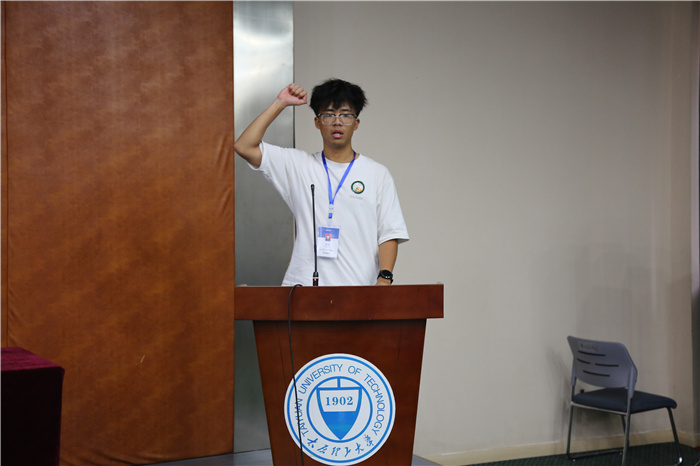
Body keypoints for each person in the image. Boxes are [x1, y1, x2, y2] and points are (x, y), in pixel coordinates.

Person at [234, 79, 408, 286]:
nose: (337, 122)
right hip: (303, 288)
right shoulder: (298, 165)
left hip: (359, 289)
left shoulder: (377, 174)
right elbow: (244, 146)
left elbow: (389, 233)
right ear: (317, 122)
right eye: (329, 115)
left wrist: (384, 279)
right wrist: (280, 103)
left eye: (346, 115)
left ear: (356, 123)